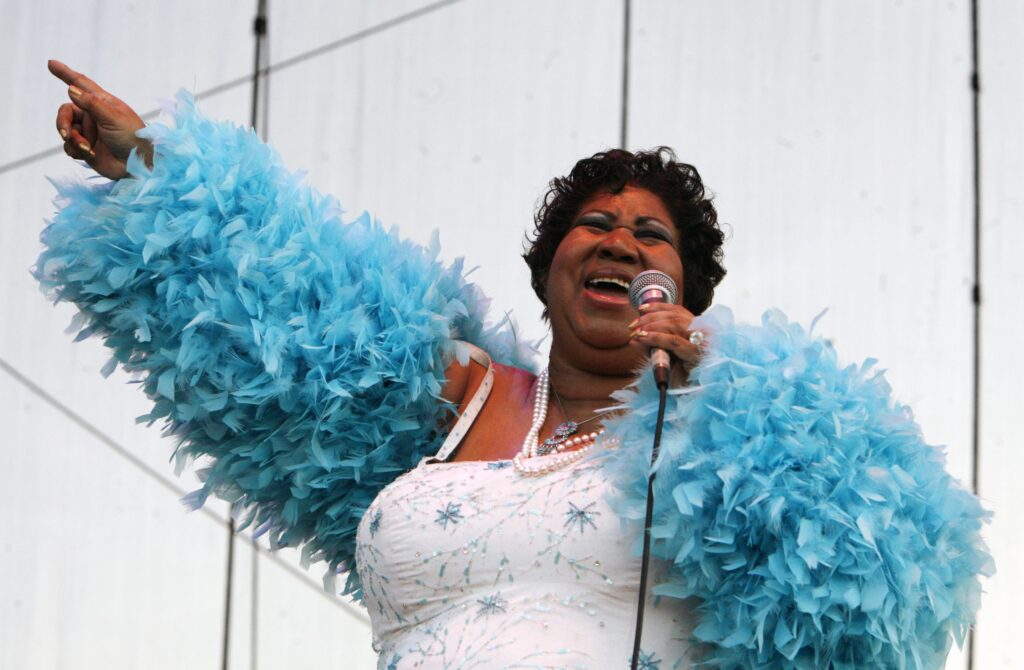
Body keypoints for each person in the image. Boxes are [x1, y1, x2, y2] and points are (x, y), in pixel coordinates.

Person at [37, 60, 991, 669]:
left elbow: (887, 587)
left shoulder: (733, 426)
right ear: (548, 272)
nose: (619, 241)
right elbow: (285, 322)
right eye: (596, 225)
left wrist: (736, 395)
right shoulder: (454, 396)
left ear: (686, 288)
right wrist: (161, 176)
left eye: (650, 237)